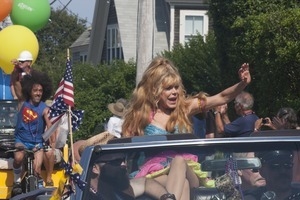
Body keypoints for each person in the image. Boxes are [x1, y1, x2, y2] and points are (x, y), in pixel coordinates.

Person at [122, 57, 251, 137]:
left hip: (181, 173)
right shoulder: (141, 114)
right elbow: (128, 147)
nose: (174, 92)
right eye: (168, 88)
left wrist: (243, 83)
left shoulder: (184, 108)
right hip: (151, 174)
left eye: (176, 87)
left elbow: (222, 97)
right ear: (155, 91)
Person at [11, 70, 54, 196]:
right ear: (29, 90)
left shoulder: (44, 108)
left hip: (37, 143)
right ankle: (17, 180)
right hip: (21, 140)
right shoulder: (22, 103)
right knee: (18, 157)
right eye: (35, 90)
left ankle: (38, 191)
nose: (38, 93)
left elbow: (50, 124)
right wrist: (16, 70)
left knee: (37, 170)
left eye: (40, 91)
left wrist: (52, 140)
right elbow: (16, 84)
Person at [87, 152, 176, 200]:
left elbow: (145, 182)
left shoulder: (119, 187)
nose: (124, 164)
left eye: (124, 160)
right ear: (95, 168)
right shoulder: (86, 195)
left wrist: (167, 198)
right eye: (116, 162)